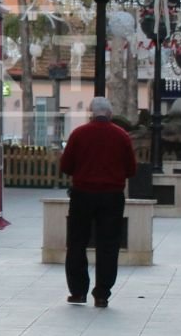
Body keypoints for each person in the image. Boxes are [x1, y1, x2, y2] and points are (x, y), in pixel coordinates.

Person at [58, 97, 137, 308]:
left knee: (77, 243)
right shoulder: (122, 136)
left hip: (82, 194)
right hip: (112, 196)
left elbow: (66, 165)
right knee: (109, 245)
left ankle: (78, 292)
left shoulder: (79, 134)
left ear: (91, 113)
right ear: (110, 114)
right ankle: (102, 294)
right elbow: (131, 169)